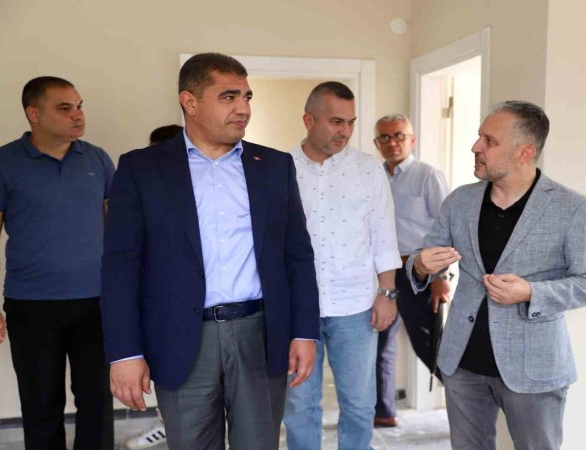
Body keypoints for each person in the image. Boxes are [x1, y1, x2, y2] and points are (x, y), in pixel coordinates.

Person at [101, 52, 320, 450]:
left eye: (247, 97)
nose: (243, 108)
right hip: (180, 338)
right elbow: (120, 268)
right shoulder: (141, 169)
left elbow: (298, 256)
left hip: (259, 335)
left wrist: (305, 332)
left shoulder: (274, 166)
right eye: (228, 97)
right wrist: (124, 353)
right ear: (189, 101)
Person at [408, 100, 586, 450]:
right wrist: (421, 266)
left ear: (524, 152)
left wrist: (531, 292)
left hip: (534, 367)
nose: (476, 147)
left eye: (489, 141)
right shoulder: (459, 200)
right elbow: (424, 259)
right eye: (479, 137)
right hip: (462, 363)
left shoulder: (572, 207)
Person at [0, 76, 115, 449]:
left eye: (79, 106)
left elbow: (119, 235)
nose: (78, 115)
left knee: (97, 404)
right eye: (65, 108)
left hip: (97, 304)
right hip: (31, 305)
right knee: (41, 407)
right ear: (34, 113)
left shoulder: (98, 159)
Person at [282, 82, 400, 450]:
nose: (345, 131)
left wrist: (387, 293)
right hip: (296, 308)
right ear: (309, 120)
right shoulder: (280, 168)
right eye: (336, 121)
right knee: (299, 405)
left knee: (359, 404)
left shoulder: (367, 169)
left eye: (350, 122)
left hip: (356, 306)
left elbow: (384, 233)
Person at [371, 113, 451, 427]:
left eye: (399, 136)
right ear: (377, 143)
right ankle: (383, 412)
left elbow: (447, 229)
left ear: (412, 140)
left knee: (431, 347)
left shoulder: (427, 176)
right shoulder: (372, 177)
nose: (392, 142)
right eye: (385, 137)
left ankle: (465, 406)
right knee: (378, 345)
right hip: (381, 273)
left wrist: (441, 277)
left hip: (418, 273)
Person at [121, 123, 182, 450]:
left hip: (197, 310)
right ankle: (166, 424)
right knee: (166, 374)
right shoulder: (145, 190)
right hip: (158, 305)